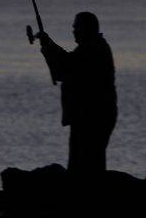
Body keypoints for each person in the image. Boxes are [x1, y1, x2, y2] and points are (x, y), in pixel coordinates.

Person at [37, 12, 117, 176]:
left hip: (92, 118)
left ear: (87, 28)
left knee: (84, 167)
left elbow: (67, 66)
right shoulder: (93, 47)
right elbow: (66, 66)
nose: (73, 30)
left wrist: (48, 45)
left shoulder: (93, 50)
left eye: (76, 26)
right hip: (90, 117)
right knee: (89, 165)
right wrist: (48, 45)